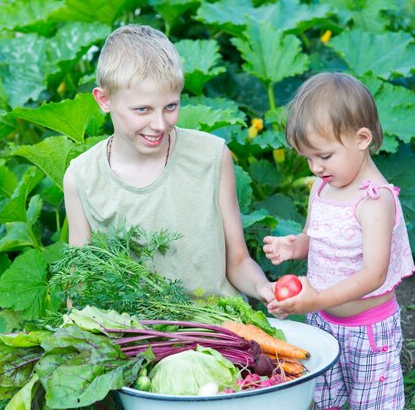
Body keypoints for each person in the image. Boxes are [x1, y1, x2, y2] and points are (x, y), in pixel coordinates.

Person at [63, 24, 274, 302]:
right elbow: (81, 282)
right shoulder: (82, 177)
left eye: (171, 106)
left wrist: (264, 289)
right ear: (104, 100)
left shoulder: (211, 155)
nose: (160, 124)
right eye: (142, 110)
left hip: (221, 327)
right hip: (138, 333)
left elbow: (237, 261)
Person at [262, 72, 415, 410]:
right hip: (322, 321)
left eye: (324, 156)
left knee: (371, 402)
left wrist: (315, 299)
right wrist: (295, 246)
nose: (315, 167)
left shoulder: (375, 201)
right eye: (308, 158)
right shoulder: (322, 187)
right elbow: (315, 239)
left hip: (368, 330)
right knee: (324, 397)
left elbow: (373, 275)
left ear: (361, 138)